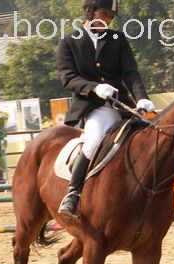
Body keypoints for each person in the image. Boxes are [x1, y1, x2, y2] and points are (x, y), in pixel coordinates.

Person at [56, 0, 155, 219]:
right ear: (90, 11)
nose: (108, 19)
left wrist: (141, 98)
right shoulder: (69, 41)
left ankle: (153, 197)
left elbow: (130, 72)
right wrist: (94, 88)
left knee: (151, 137)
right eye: (105, 14)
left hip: (121, 106)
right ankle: (73, 194)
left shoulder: (117, 40)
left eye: (111, 16)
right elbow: (68, 78)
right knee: (93, 140)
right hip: (91, 107)